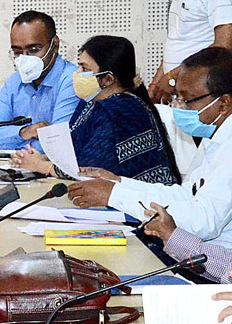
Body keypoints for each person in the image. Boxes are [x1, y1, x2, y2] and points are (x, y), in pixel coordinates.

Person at [68, 47, 232, 247]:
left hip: (218, 267)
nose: (177, 106)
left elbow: (203, 222)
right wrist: (119, 183)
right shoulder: (213, 135)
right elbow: (186, 195)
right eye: (176, 97)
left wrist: (115, 195)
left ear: (223, 104)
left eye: (186, 99)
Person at [11, 36, 180, 184]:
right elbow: (75, 151)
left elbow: (91, 172)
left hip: (140, 207)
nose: (77, 73)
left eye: (85, 69)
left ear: (107, 79)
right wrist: (43, 158)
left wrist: (41, 166)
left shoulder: (120, 111)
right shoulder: (92, 103)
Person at [0, 11, 80, 151]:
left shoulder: (72, 81)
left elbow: (57, 146)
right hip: (14, 170)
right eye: (17, 52)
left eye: (33, 50)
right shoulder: (14, 82)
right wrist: (24, 132)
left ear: (55, 45)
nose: (24, 58)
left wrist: (13, 146)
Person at [148, 0, 232, 103]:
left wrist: (173, 77)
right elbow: (178, 38)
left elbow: (224, 47)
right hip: (180, 94)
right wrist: (157, 83)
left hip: (202, 97)